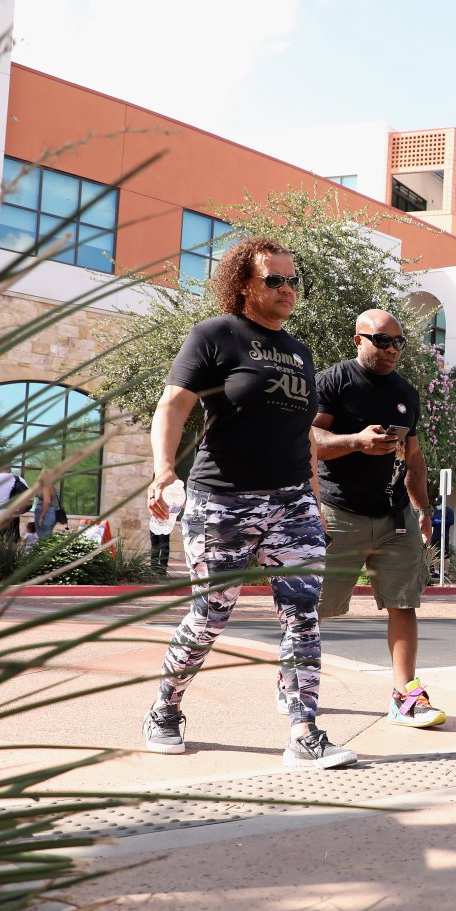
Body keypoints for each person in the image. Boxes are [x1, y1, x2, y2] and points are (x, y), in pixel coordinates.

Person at [142, 237, 354, 769]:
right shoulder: (216, 336)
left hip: (292, 502)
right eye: (274, 280)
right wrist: (164, 469)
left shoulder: (300, 352)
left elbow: (299, 433)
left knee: (302, 614)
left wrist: (313, 496)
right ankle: (165, 707)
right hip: (223, 500)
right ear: (244, 285)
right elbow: (173, 405)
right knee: (212, 611)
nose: (287, 290)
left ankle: (304, 731)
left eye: (293, 281)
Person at [311, 307, 446, 729]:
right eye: (382, 341)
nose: (392, 350)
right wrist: (355, 441)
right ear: (359, 340)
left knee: (404, 604)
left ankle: (406, 698)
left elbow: (415, 458)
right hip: (338, 512)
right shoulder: (335, 380)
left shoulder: (406, 393)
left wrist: (423, 509)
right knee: (314, 608)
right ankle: (292, 680)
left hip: (395, 517)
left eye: (398, 342)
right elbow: (309, 437)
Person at [148, 479, 183, 573]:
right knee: (155, 545)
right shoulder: (158, 489)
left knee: (164, 545)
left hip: (165, 522)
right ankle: (154, 568)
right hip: (155, 520)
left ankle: (162, 568)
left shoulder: (170, 493)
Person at [26, 475, 60, 549]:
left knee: (43, 538)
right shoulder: (53, 487)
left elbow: (47, 501)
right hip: (52, 512)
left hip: (45, 512)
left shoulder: (46, 486)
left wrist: (41, 516)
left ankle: (43, 558)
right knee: (46, 537)